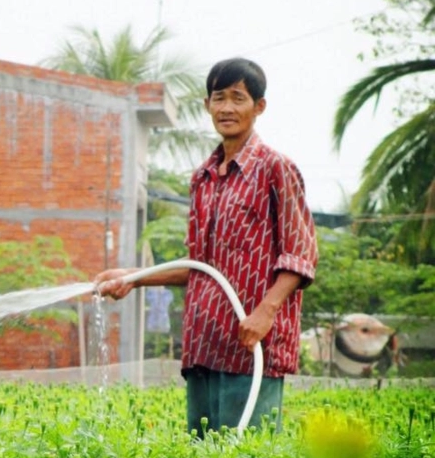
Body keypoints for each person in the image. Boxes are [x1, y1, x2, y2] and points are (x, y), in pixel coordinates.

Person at [95, 57, 318, 434]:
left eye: (238, 98)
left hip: (251, 345)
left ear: (259, 106)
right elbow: (200, 265)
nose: (227, 108)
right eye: (219, 98)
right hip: (204, 341)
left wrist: (265, 313)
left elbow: (301, 254)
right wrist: (134, 277)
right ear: (207, 105)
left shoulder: (276, 168)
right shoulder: (202, 178)